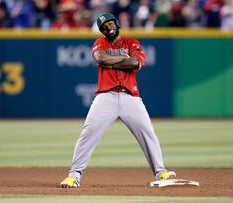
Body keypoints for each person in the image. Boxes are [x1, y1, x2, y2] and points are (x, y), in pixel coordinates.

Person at [59, 12, 176, 188]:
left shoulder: (131, 42)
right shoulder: (100, 43)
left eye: (110, 23)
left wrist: (111, 63)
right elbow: (100, 58)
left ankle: (161, 173)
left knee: (148, 133)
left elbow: (135, 63)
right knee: (87, 134)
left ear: (117, 23)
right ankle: (74, 176)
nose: (108, 27)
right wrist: (123, 59)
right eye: (104, 26)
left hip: (130, 96)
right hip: (106, 96)